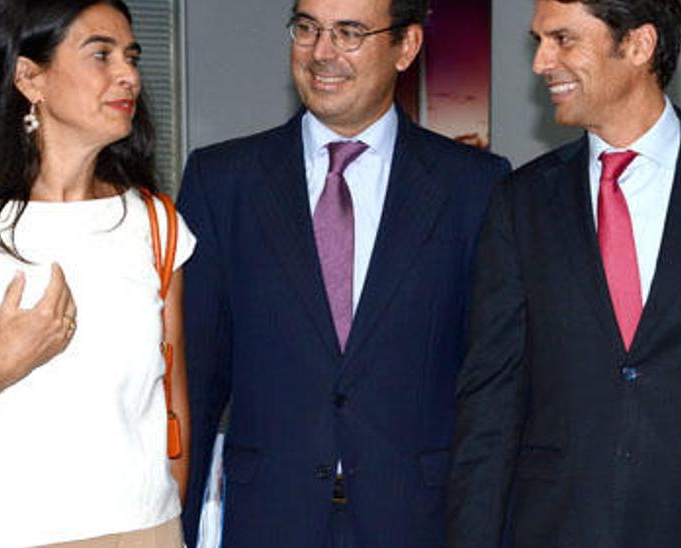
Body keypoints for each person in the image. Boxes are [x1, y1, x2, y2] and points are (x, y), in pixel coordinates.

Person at [447, 1, 681, 546]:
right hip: (558, 526)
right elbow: (491, 397)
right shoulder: (520, 202)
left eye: (563, 39)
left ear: (637, 45)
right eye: (539, 41)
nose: (541, 63)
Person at [177, 0, 511, 545]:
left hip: (418, 522)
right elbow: (194, 384)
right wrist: (179, 531)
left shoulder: (475, 187)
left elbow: (492, 388)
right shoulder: (222, 183)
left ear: (406, 47)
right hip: (267, 520)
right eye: (307, 28)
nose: (321, 52)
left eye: (349, 32)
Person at [0, 0, 193, 546]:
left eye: (130, 55)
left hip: (143, 531)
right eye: (100, 54)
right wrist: (1, 364)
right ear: (29, 77)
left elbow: (173, 400)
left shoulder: (156, 222)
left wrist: (166, 515)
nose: (128, 74)